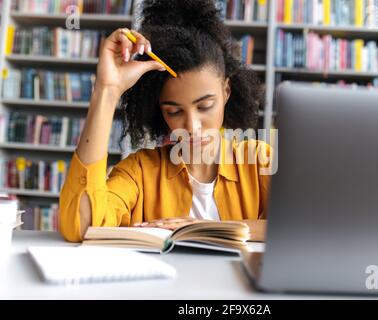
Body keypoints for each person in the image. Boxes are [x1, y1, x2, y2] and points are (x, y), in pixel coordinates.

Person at [59, 0, 273, 243]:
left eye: (204, 106)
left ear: (226, 91)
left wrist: (209, 229)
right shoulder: (140, 172)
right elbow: (80, 226)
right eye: (174, 111)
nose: (192, 127)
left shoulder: (258, 162)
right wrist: (107, 90)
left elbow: (309, 228)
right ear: (159, 110)